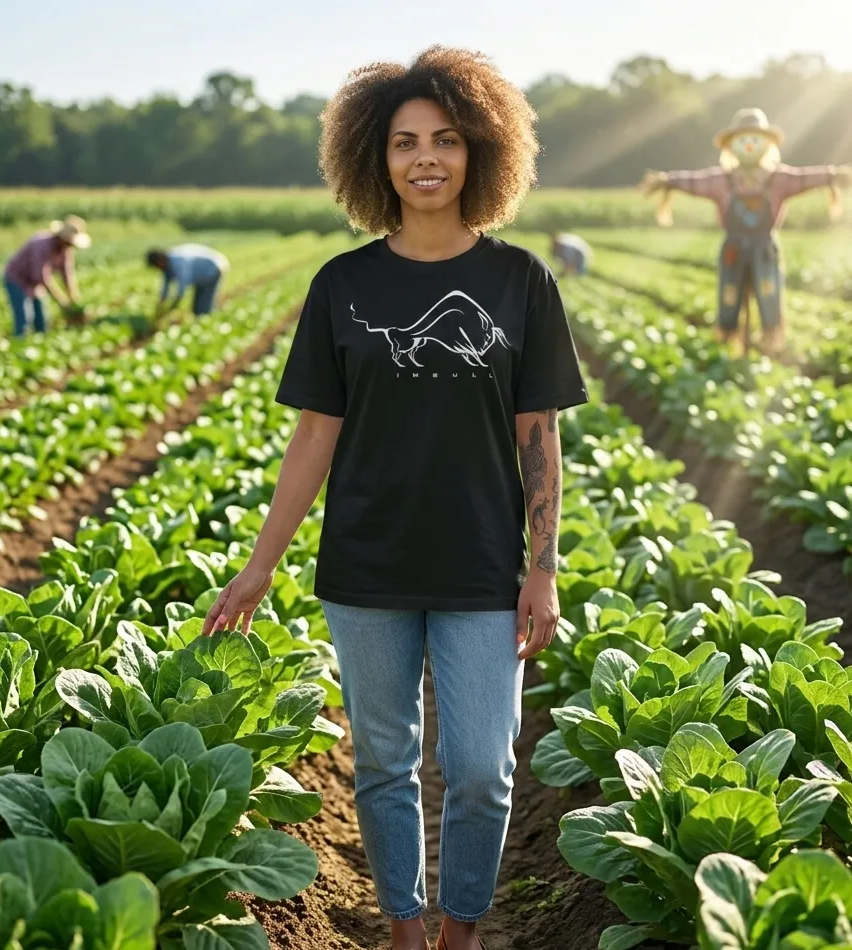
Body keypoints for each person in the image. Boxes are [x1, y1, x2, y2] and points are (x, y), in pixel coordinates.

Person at [201, 47, 588, 950]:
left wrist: (544, 570)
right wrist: (262, 566)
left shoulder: (521, 280)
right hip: (365, 566)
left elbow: (541, 437)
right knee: (383, 763)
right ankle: (405, 929)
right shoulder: (343, 284)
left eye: (446, 140)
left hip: (485, 566)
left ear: (480, 151)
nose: (426, 158)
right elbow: (314, 438)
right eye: (406, 141)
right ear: (374, 156)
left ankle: (461, 926)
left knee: (485, 769)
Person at [641, 107, 852, 355]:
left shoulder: (779, 178)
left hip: (765, 248)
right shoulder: (721, 179)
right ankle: (728, 337)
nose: (749, 146)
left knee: (768, 291)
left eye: (755, 140)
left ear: (767, 144)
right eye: (743, 140)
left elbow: (804, 177)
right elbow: (695, 181)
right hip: (733, 248)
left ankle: (769, 338)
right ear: (732, 145)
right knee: (729, 294)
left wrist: (832, 176)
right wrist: (669, 181)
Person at [3, 215, 90, 337]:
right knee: (24, 318)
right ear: (63, 237)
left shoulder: (65, 249)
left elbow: (67, 274)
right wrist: (61, 300)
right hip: (17, 279)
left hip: (34, 283)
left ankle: (40, 343)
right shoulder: (42, 244)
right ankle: (20, 344)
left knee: (42, 319)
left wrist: (73, 297)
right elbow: (41, 276)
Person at [146, 244, 230, 319]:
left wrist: (173, 306)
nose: (157, 269)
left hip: (214, 268)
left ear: (159, 261)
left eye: (156, 266)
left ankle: (208, 319)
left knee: (204, 305)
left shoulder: (178, 261)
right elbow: (165, 286)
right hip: (202, 274)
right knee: (197, 307)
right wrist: (161, 303)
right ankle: (202, 318)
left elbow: (182, 287)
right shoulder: (166, 266)